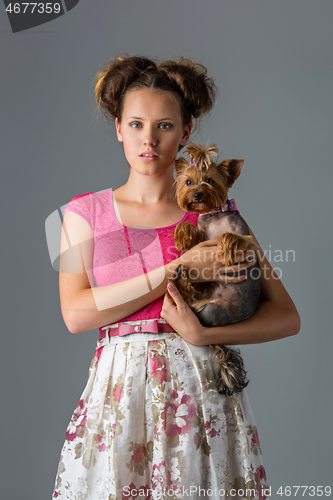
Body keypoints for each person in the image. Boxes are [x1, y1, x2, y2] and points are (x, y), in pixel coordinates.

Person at [52, 55, 300, 500]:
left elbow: (287, 317)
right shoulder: (78, 213)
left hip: (201, 397)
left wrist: (202, 338)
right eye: (135, 124)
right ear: (118, 128)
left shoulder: (218, 213)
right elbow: (75, 314)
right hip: (119, 399)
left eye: (165, 126)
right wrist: (175, 269)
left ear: (186, 133)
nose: (149, 139)